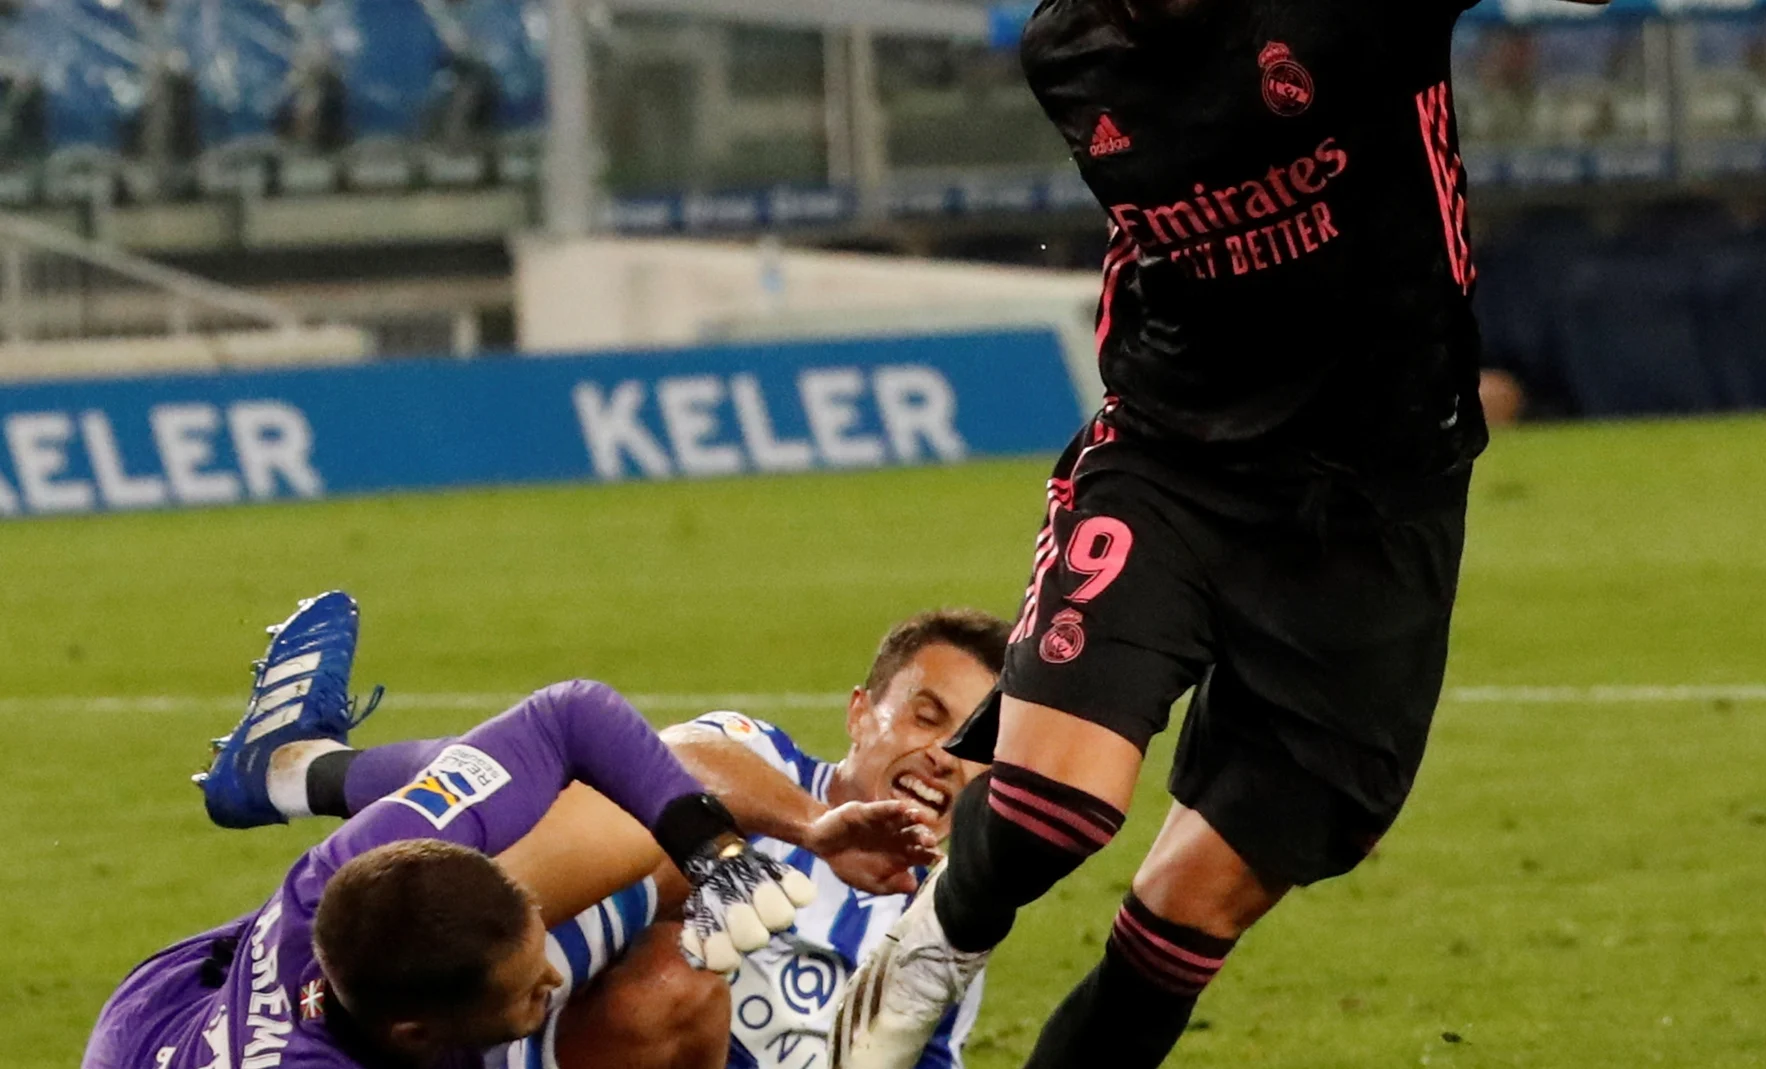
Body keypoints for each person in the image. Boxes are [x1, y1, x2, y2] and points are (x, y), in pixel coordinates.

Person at [829, 1, 1606, 1067]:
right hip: (1175, 458)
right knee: (1053, 808)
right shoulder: (1068, 53)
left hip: (1378, 510)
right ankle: (931, 946)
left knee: (1186, 910)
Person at [198, 595, 1008, 1069]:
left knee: (671, 959)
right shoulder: (764, 760)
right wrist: (810, 825)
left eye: (975, 746)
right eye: (926, 716)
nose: (942, 756)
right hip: (517, 1031)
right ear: (861, 713)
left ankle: (296, 778)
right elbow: (659, 763)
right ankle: (303, 805)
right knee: (643, 813)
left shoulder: (945, 914)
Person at [84, 592, 829, 1069]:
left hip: (179, 998)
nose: (552, 977)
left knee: (617, 811)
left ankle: (289, 769)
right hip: (152, 1049)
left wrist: (713, 849)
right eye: (529, 988)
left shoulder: (346, 876)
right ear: (416, 1032)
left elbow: (569, 716)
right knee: (666, 979)